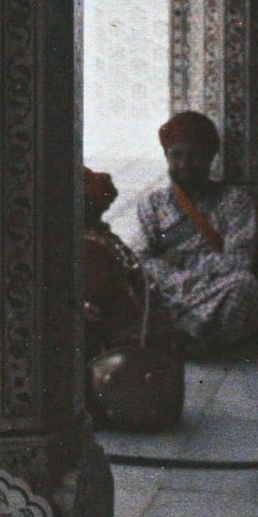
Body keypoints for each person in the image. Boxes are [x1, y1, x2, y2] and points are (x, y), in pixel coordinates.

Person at [133, 111, 258, 354]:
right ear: (166, 156)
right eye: (176, 155)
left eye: (195, 156)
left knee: (245, 286)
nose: (184, 164)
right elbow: (140, 258)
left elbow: (238, 261)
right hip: (168, 289)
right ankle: (190, 337)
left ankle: (183, 339)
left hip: (213, 288)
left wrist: (180, 262)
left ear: (210, 157)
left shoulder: (234, 201)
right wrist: (179, 279)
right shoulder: (153, 202)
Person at [82, 166, 184, 431]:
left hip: (132, 368)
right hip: (156, 365)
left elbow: (89, 316)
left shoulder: (88, 249)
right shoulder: (105, 239)